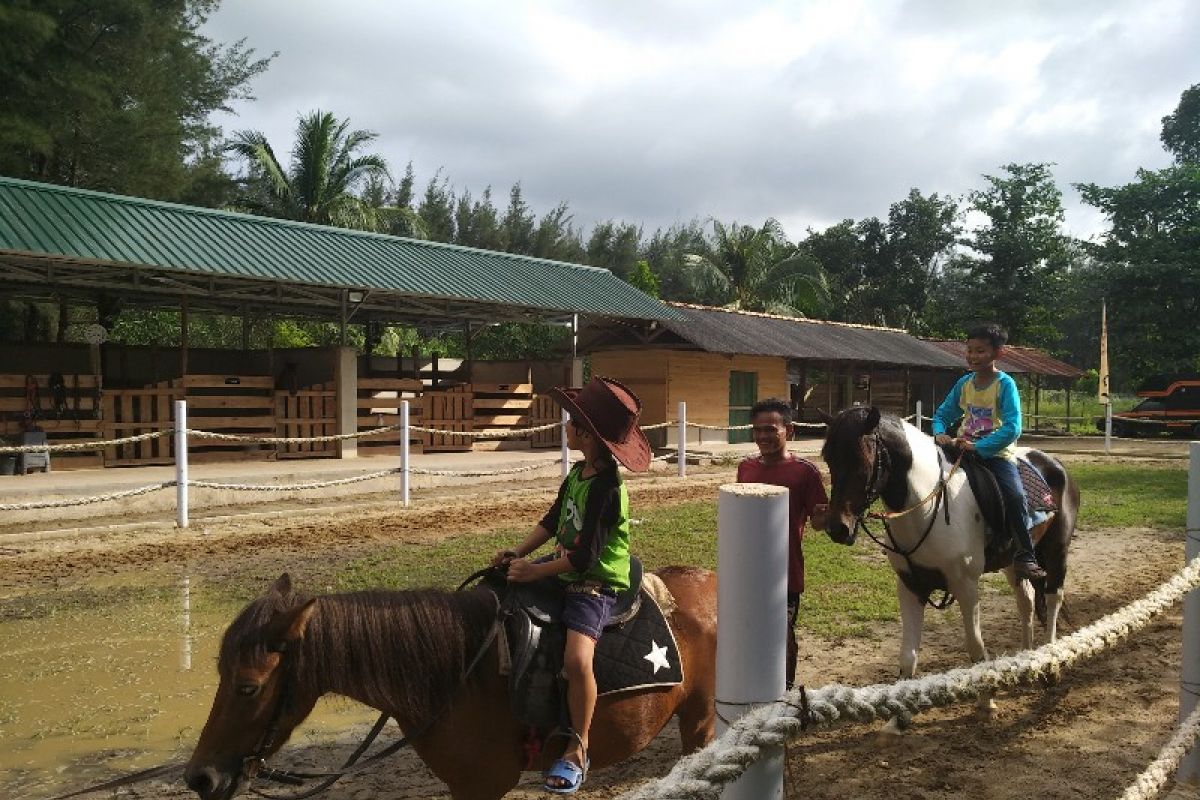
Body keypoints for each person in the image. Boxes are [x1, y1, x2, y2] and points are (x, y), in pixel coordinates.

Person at [491, 376, 650, 795]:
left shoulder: (607, 488)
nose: (565, 426)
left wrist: (535, 572)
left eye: (571, 421)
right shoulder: (578, 473)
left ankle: (578, 746)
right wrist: (517, 553)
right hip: (564, 568)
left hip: (595, 581)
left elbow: (584, 558)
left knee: (578, 660)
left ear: (585, 433)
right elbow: (552, 518)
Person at [931, 323, 1047, 581]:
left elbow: (1013, 427)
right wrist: (940, 431)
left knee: (1015, 497)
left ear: (998, 353)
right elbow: (942, 413)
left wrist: (980, 446)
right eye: (970, 350)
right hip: (961, 449)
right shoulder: (964, 383)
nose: (973, 356)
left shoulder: (1005, 385)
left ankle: (1025, 556)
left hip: (995, 453)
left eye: (980, 351)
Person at [736, 397, 828, 690]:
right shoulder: (745, 468)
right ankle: (750, 691)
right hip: (747, 572)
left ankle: (783, 695)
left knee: (781, 639)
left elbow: (818, 522)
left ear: (788, 430)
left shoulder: (805, 472)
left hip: (785, 573)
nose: (763, 436)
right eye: (758, 430)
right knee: (747, 635)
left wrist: (827, 514)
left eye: (770, 430)